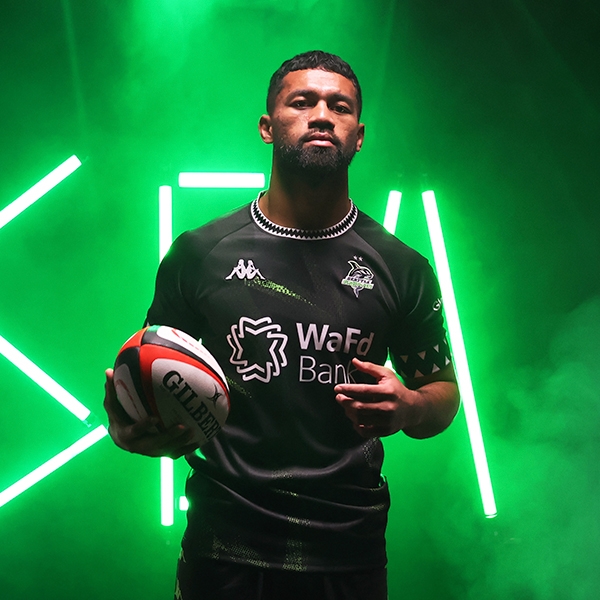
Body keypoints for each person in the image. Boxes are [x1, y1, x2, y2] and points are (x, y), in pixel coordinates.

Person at [104, 50, 460, 600]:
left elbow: (444, 395)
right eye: (303, 101)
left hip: (349, 550)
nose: (321, 114)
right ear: (268, 127)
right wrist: (128, 425)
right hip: (224, 547)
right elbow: (148, 370)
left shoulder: (401, 266)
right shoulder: (200, 253)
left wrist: (411, 406)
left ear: (358, 135)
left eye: (339, 106)